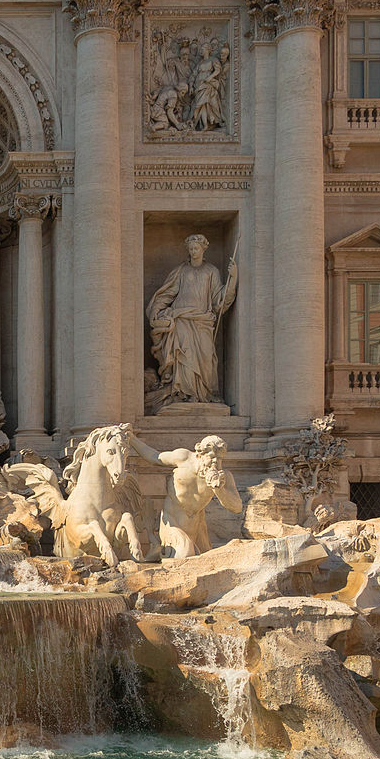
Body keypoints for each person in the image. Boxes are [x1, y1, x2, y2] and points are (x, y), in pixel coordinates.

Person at [146, 233, 237, 406]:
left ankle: (203, 394)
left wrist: (233, 278)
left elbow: (220, 299)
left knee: (205, 356)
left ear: (203, 249)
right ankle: (183, 394)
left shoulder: (212, 271)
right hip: (181, 319)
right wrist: (156, 311)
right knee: (183, 356)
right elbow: (167, 293)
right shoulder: (181, 271)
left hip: (203, 321)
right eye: (191, 249)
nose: (194, 251)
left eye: (197, 248)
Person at [128, 433, 242, 559]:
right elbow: (155, 457)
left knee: (206, 561)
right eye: (212, 457)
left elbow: (237, 507)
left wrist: (219, 490)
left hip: (197, 527)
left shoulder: (224, 477)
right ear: (200, 455)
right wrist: (132, 439)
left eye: (220, 458)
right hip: (173, 521)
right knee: (185, 554)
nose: (215, 462)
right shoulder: (183, 458)